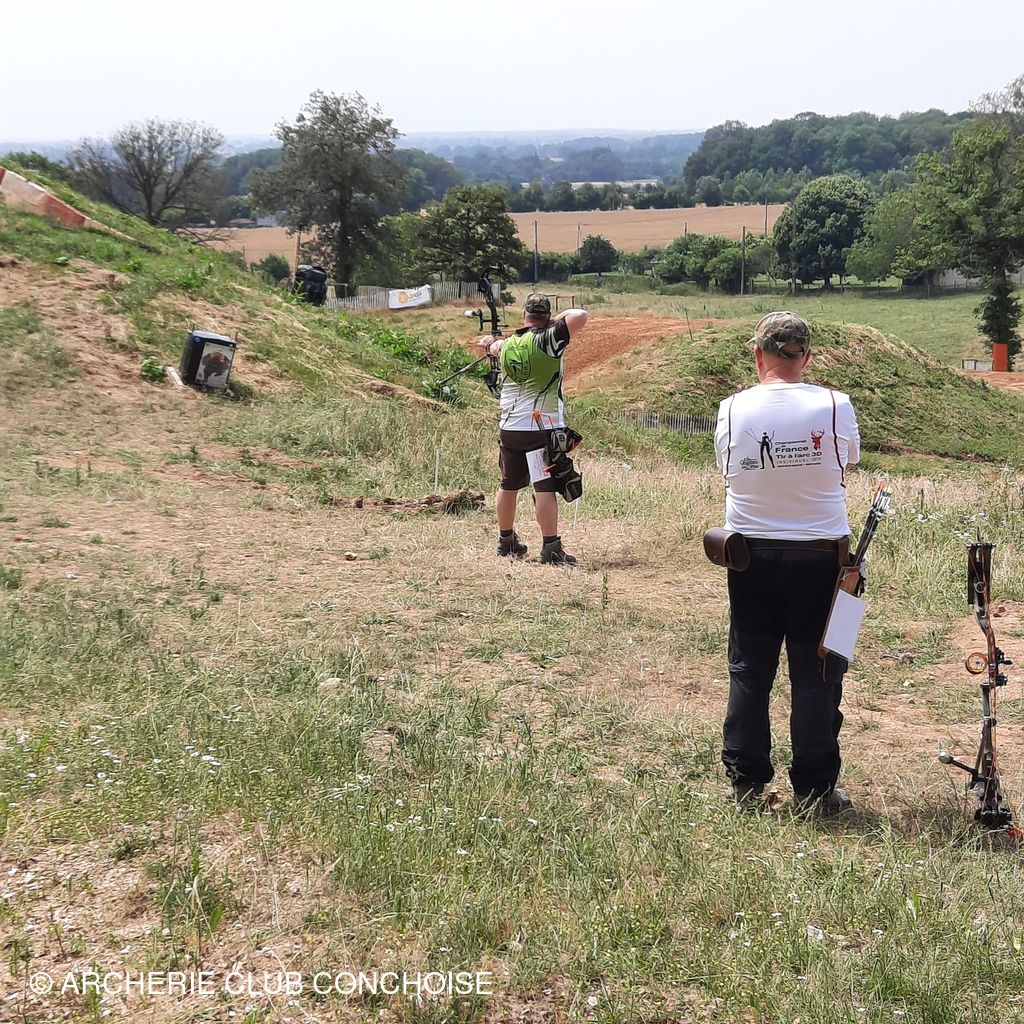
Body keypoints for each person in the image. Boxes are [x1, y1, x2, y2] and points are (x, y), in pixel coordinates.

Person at [713, 311, 861, 816]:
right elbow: (848, 460)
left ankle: (745, 782)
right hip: (822, 562)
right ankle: (815, 790)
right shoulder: (836, 404)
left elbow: (726, 467)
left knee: (749, 671)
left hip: (749, 558)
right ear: (807, 357)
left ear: (759, 355)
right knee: (819, 673)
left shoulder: (731, 408)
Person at [478, 292, 588, 565]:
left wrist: (491, 342)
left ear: (524, 315)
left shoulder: (508, 345)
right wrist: (553, 321)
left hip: (510, 428)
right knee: (544, 487)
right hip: (540, 429)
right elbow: (580, 315)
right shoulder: (548, 339)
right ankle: (551, 548)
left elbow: (494, 346)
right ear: (546, 316)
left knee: (508, 485)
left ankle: (506, 542)